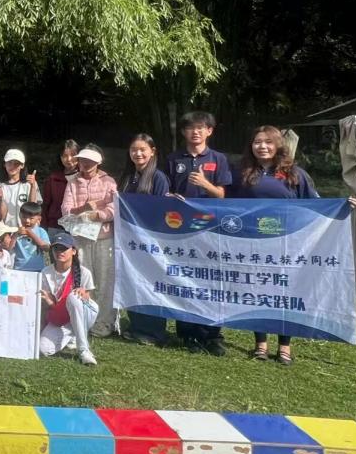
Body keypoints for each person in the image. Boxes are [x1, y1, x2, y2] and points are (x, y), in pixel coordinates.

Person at [232, 126, 320, 365]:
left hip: (287, 244)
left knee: (285, 292)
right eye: (257, 142)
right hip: (253, 243)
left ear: (278, 145)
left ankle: (285, 346)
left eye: (268, 142)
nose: (262, 146)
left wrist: (343, 205)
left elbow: (316, 205)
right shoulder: (243, 173)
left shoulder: (295, 174)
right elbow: (225, 201)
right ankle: (260, 343)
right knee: (257, 291)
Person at [166, 111, 233, 356]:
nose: (195, 132)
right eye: (190, 128)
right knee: (183, 278)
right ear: (184, 132)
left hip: (211, 228)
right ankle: (187, 334)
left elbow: (223, 195)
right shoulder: (173, 159)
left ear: (209, 131)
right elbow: (166, 192)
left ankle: (212, 334)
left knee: (211, 280)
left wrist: (205, 185)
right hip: (181, 230)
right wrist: (170, 197)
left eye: (200, 127)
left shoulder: (219, 159)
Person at [119, 133, 172, 346]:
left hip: (152, 241)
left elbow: (162, 212)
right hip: (130, 241)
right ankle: (137, 326)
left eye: (142, 149)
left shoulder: (158, 178)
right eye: (134, 149)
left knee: (152, 284)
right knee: (134, 282)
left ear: (152, 151)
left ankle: (154, 331)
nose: (138, 153)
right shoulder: (128, 176)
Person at [60, 146, 118, 337]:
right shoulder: (73, 182)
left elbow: (114, 208)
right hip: (80, 237)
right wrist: (84, 208)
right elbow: (66, 209)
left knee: (105, 280)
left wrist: (97, 215)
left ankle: (104, 322)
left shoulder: (109, 181)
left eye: (90, 161)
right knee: (83, 278)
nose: (85, 164)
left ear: (98, 162)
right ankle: (84, 319)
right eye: (82, 160)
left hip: (104, 237)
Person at [39, 234, 98, 366]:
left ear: (73, 251)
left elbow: (87, 299)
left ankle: (83, 350)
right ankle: (72, 335)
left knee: (73, 297)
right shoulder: (45, 272)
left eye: (64, 248)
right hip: (61, 317)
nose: (60, 252)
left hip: (85, 313)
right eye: (56, 249)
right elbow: (49, 307)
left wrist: (83, 294)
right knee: (42, 349)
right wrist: (50, 303)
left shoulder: (84, 272)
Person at [42, 140, 80, 231]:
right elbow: (46, 205)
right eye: (65, 156)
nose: (69, 159)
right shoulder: (53, 178)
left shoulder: (85, 178)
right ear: (60, 157)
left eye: (73, 155)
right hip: (55, 226)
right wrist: (44, 226)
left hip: (79, 226)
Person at [0, 148, 40, 227]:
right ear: (4, 164)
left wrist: (33, 186)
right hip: (6, 230)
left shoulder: (29, 184)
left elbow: (33, 208)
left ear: (22, 165)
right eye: (9, 163)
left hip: (26, 229)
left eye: (16, 164)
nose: (12, 166)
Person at [14, 202, 50, 270]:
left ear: (39, 219)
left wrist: (30, 233)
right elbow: (9, 248)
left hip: (37, 268)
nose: (27, 221)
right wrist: (16, 235)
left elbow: (46, 248)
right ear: (20, 216)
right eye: (24, 217)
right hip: (19, 268)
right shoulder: (16, 231)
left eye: (31, 218)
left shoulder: (41, 231)